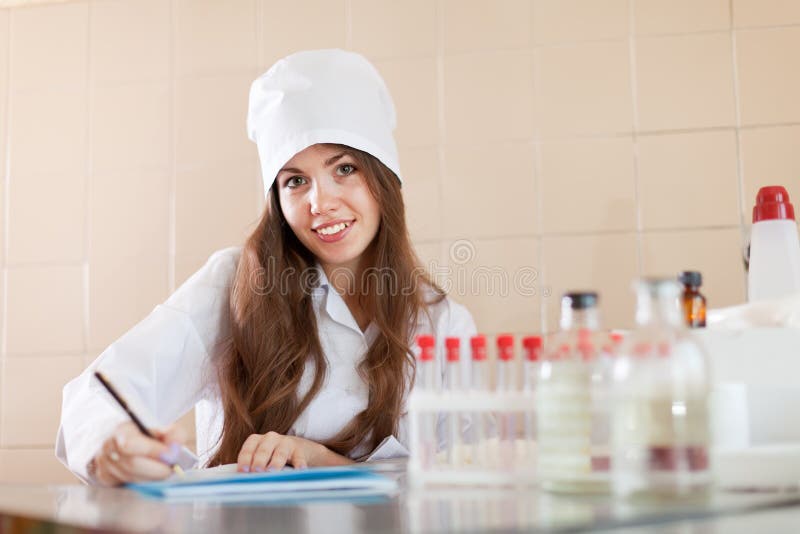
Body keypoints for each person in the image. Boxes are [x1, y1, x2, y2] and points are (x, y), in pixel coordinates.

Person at [56, 49, 476, 486]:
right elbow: (95, 394)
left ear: (385, 179)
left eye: (345, 169)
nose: (320, 202)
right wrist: (114, 446)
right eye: (295, 181)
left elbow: (464, 482)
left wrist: (321, 461)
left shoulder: (443, 322)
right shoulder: (235, 285)